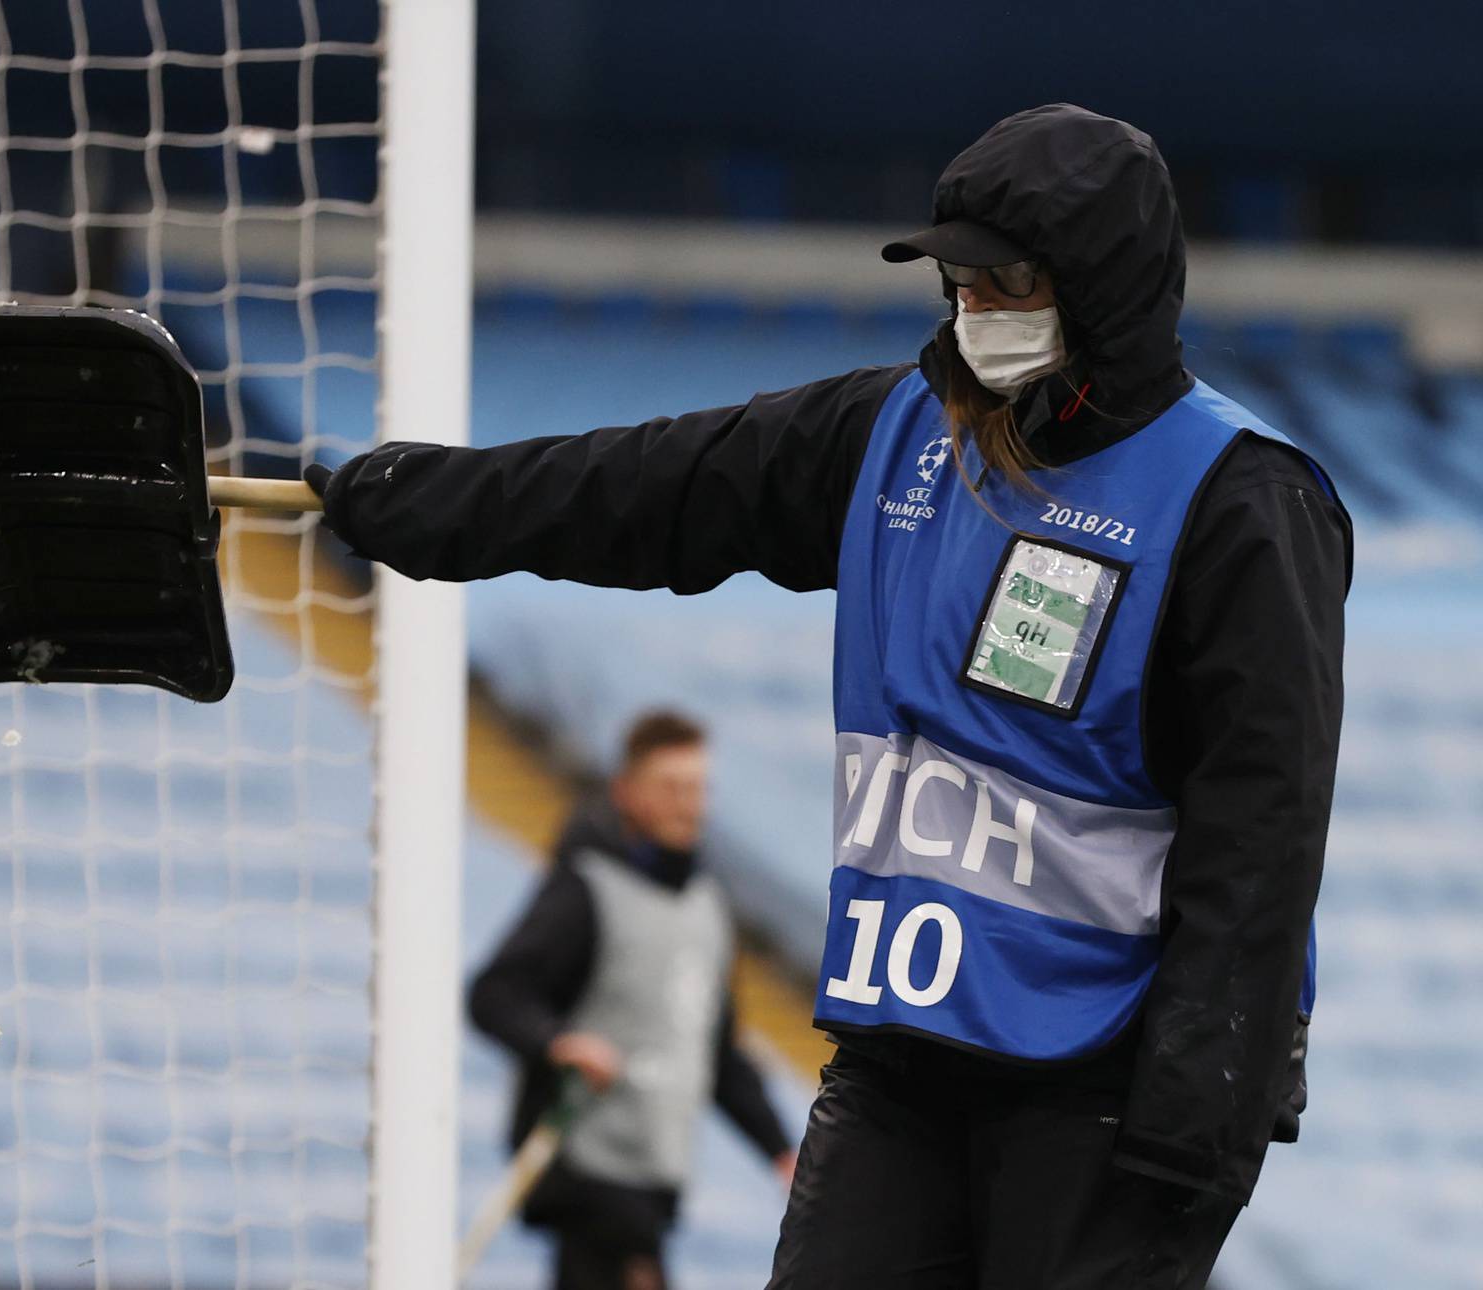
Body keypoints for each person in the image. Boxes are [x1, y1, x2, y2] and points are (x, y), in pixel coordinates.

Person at [310, 104, 1350, 1288]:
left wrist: (1195, 1123)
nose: (977, 309)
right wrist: (427, 503)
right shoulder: (896, 432)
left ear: (1102, 283)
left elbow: (1263, 837)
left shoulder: (1239, 499)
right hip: (903, 1059)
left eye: (1009, 279)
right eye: (961, 278)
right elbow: (649, 487)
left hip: (1105, 1092)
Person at [468, 710, 796, 1290]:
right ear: (626, 793)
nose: (687, 804)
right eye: (670, 788)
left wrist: (779, 1149)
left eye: (697, 788)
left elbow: (716, 1048)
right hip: (587, 1163)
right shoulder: (585, 889)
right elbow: (494, 993)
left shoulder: (708, 908)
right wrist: (558, 1044)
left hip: (652, 1170)